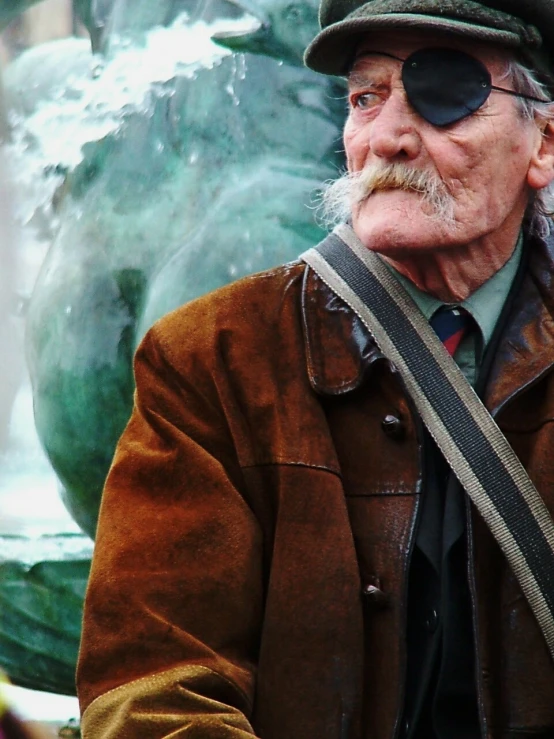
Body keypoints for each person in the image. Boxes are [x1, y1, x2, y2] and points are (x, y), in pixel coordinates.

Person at [76, 1, 554, 737]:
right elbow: (153, 687)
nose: (387, 136)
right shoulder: (212, 361)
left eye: (443, 93)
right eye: (366, 97)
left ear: (543, 143)